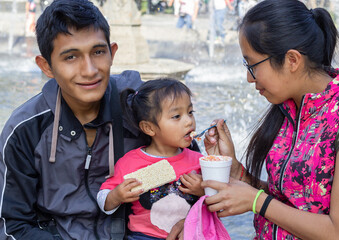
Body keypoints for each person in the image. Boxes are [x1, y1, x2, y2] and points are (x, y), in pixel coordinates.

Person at [202, 0, 339, 239]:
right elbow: (290, 200)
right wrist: (238, 173)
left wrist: (257, 202)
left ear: (292, 60)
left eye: (253, 65)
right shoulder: (288, 107)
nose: (248, 78)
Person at [0, 0, 149, 239]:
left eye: (98, 52)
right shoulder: (25, 130)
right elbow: (12, 225)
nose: (89, 70)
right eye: (71, 57)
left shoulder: (141, 109)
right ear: (46, 66)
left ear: (112, 53)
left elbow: (184, 165)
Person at [97, 78, 204, 240]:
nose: (189, 121)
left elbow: (220, 201)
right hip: (143, 236)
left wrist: (203, 191)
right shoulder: (130, 162)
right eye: (176, 116)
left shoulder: (198, 161)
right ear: (149, 128)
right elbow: (102, 198)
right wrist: (116, 196)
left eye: (190, 112)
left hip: (190, 233)